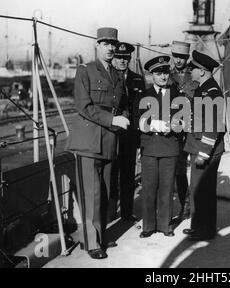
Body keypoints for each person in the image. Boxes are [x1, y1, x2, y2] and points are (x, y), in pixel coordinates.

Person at [66, 27, 129, 259]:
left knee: (104, 192)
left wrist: (124, 116)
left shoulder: (117, 74)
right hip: (89, 140)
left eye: (113, 44)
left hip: (110, 140)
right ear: (97, 45)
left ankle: (100, 235)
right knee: (92, 194)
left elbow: (120, 104)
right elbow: (83, 106)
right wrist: (113, 119)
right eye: (105, 43)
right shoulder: (85, 70)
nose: (111, 48)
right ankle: (92, 243)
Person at [137, 55, 181, 238]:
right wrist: (152, 125)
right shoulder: (143, 96)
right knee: (148, 188)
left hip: (170, 147)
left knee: (167, 187)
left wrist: (174, 125)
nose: (163, 76)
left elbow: (184, 121)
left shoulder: (178, 96)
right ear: (152, 75)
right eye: (158, 73)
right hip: (150, 148)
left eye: (165, 72)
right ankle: (148, 226)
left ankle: (165, 225)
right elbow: (136, 121)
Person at [183, 50, 225, 241]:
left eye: (193, 68)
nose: (190, 71)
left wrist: (204, 153)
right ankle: (199, 226)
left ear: (201, 71)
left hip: (205, 148)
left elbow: (213, 127)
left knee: (203, 190)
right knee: (198, 190)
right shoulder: (203, 88)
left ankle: (205, 230)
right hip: (198, 146)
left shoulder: (211, 92)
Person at [110, 42, 145, 222]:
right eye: (119, 58)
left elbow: (142, 110)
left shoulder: (138, 79)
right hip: (111, 133)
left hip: (130, 136)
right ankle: (109, 214)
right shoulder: (108, 77)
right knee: (110, 174)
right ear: (113, 58)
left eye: (126, 58)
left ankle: (126, 212)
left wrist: (140, 137)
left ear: (130, 58)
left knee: (128, 175)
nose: (123, 61)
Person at [169, 40, 198, 223]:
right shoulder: (167, 75)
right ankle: (184, 207)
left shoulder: (195, 76)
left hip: (193, 129)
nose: (179, 60)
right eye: (176, 56)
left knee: (195, 169)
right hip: (175, 130)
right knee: (179, 169)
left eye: (182, 57)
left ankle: (194, 208)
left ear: (187, 58)